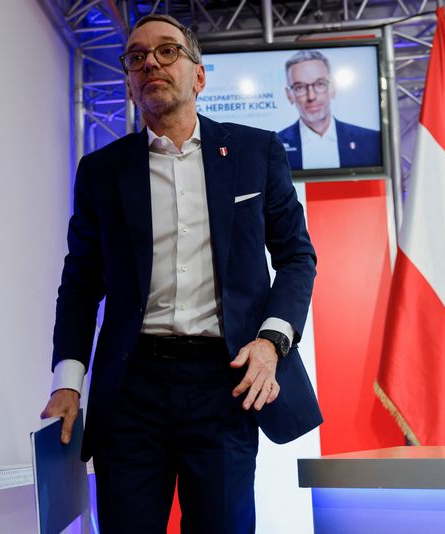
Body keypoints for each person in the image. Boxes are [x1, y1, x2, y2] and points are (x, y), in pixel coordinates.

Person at [40, 14, 322, 534]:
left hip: (225, 382)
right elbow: (80, 283)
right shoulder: (102, 172)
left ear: (199, 75)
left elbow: (297, 258)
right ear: (128, 81)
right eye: (136, 56)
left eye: (167, 51)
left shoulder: (255, 153)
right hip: (131, 391)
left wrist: (270, 342)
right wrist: (68, 384)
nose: (150, 62)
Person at [277, 50, 381, 171]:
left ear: (333, 87)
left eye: (320, 84)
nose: (311, 96)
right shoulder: (275, 147)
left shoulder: (371, 140)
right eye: (299, 87)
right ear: (289, 95)